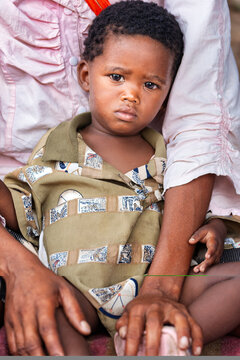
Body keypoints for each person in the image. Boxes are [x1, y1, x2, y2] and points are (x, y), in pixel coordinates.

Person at [0, 0, 240, 356]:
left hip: (158, 278)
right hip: (74, 288)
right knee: (47, 315)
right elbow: (16, 200)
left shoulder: (170, 160)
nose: (131, 94)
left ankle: (167, 340)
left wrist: (216, 227)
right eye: (117, 77)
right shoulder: (51, 156)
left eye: (151, 85)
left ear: (169, 91)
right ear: (85, 75)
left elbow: (196, 209)